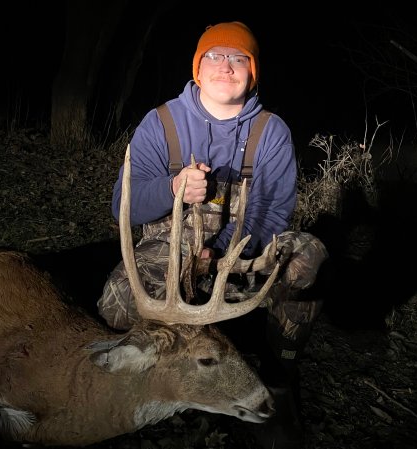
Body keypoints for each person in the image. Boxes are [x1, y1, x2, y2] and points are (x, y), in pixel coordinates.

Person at [98, 21, 329, 448]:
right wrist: (172, 189)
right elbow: (121, 206)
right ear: (198, 69)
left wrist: (219, 253)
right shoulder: (161, 123)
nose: (227, 66)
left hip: (242, 251)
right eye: (215, 56)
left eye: (239, 58)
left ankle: (278, 382)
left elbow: (275, 211)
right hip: (170, 253)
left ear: (252, 71)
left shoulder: (271, 132)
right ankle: (176, 377)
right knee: (117, 304)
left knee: (307, 255)